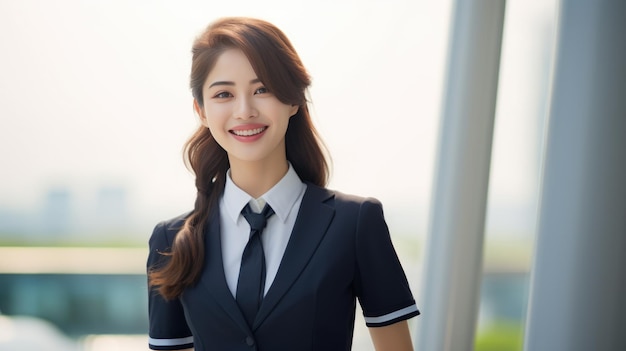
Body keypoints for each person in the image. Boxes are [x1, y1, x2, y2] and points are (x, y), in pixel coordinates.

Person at [147, 17, 419, 351]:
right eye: (224, 94)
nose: (244, 110)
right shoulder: (170, 241)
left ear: (293, 100)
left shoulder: (356, 223)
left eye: (262, 89)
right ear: (201, 111)